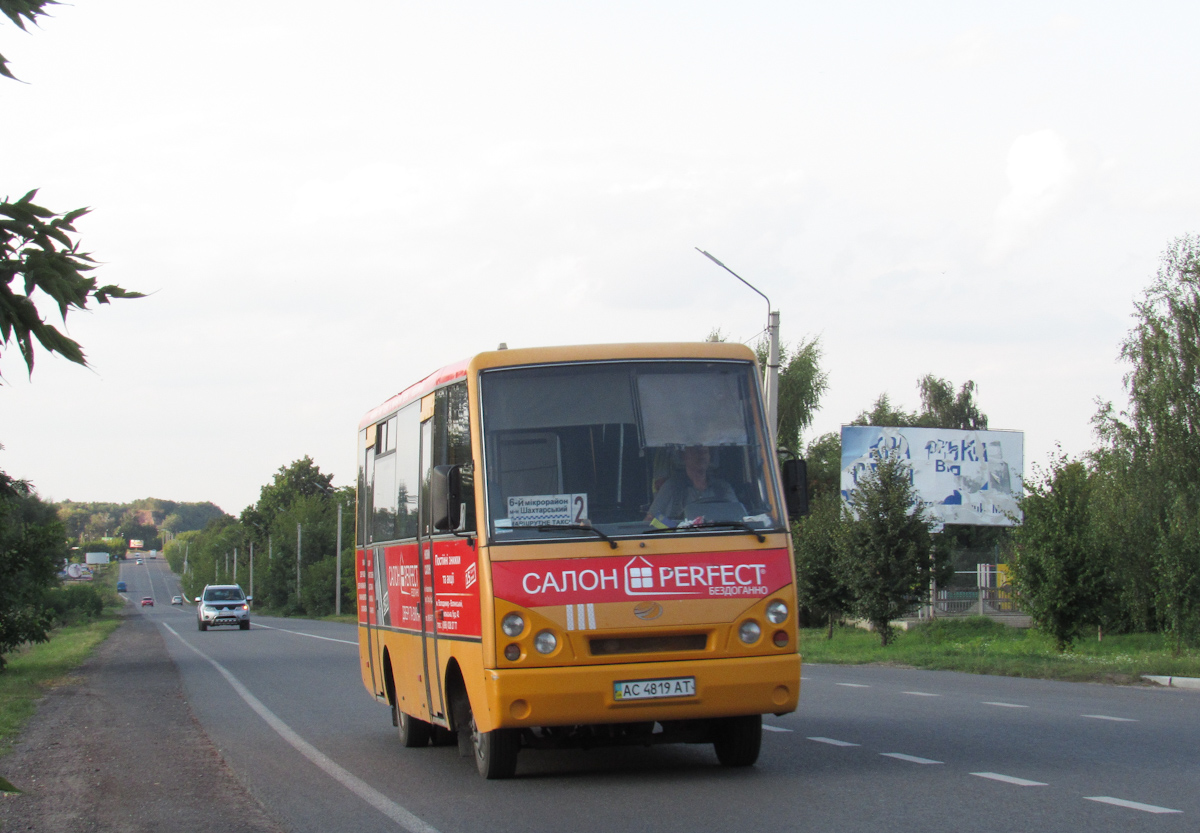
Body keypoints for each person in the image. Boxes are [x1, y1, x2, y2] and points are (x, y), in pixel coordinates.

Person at [645, 445, 738, 527]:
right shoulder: (671, 487)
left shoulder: (723, 488)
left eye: (705, 452)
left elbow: (739, 519)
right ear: (683, 456)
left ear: (710, 457)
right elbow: (650, 520)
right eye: (696, 451)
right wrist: (674, 528)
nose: (701, 456)